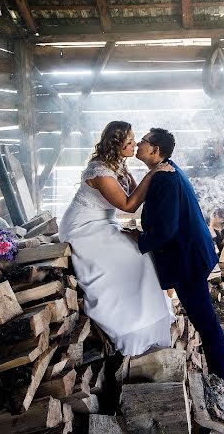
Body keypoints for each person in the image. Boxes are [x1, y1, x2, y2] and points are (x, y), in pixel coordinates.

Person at [128, 128, 224, 391]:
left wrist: (139, 239)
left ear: (155, 150)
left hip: (187, 259)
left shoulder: (165, 179)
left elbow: (166, 230)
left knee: (205, 321)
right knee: (206, 320)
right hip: (191, 252)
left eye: (142, 141)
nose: (138, 144)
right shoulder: (164, 169)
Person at [57, 121, 175, 356]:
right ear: (117, 144)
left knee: (141, 253)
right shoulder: (99, 171)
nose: (135, 144)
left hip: (105, 223)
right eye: (130, 141)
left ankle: (150, 319)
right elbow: (129, 205)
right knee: (131, 256)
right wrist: (153, 173)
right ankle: (128, 326)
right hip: (83, 227)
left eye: (135, 140)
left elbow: (134, 194)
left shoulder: (119, 164)